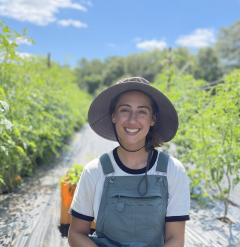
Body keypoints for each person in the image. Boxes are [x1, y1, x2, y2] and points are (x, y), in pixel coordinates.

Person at [68, 77, 190, 247]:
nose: (132, 120)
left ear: (153, 119)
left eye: (142, 111)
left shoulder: (172, 170)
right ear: (114, 116)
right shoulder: (96, 171)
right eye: (125, 110)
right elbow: (76, 233)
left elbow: (175, 239)